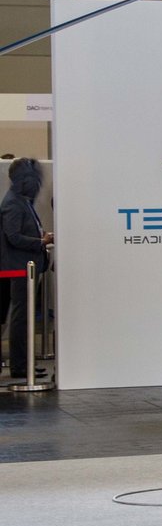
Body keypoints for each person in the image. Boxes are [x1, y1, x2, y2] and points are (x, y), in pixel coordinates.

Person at [2, 158, 52, 379]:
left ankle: (26, 362)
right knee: (21, 317)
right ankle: (20, 365)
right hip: (21, 267)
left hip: (28, 267)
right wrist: (40, 242)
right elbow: (13, 236)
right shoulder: (13, 203)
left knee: (25, 316)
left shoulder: (22, 201)